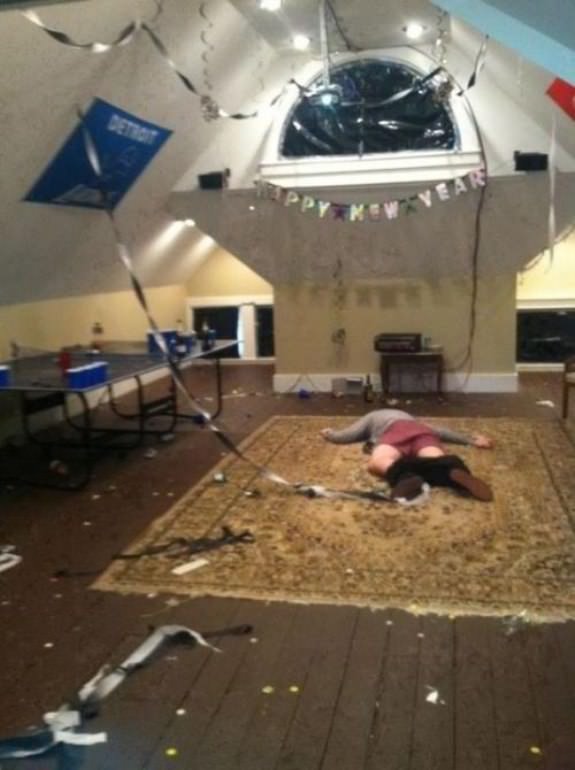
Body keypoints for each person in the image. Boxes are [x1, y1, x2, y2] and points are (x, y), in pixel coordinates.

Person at [321, 408, 494, 502]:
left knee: (378, 462)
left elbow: (348, 435)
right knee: (436, 461)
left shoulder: (373, 416)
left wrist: (330, 434)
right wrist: (471, 441)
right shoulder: (414, 421)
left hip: (395, 431)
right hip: (424, 432)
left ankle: (405, 476)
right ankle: (453, 469)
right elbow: (442, 432)